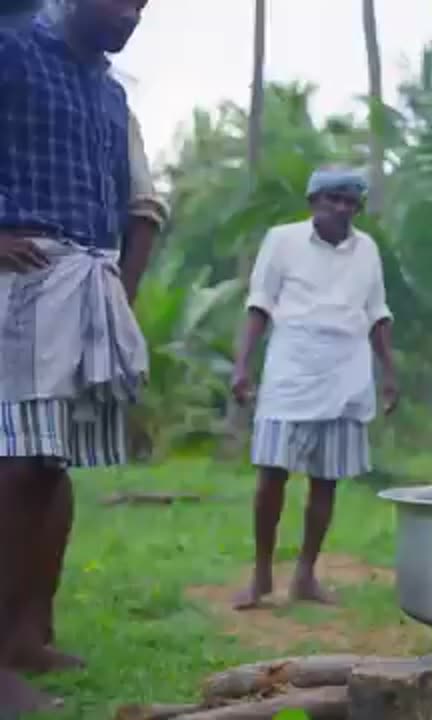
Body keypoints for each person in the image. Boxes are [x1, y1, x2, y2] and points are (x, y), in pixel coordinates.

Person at [0, 0, 158, 712]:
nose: (131, 14)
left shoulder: (111, 92)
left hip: (86, 279)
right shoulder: (11, 46)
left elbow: (136, 204)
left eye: (144, 4)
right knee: (15, 462)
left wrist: (117, 295)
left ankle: (30, 635)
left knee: (51, 462)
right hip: (21, 280)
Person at [230, 167, 398, 611]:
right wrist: (242, 366)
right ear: (314, 202)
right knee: (272, 475)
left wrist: (390, 374)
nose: (342, 209)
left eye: (350, 202)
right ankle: (262, 573)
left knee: (326, 480)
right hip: (291, 370)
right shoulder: (281, 240)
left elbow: (378, 313)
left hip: (346, 372)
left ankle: (305, 574)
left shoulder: (367, 250)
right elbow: (259, 304)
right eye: (333, 200)